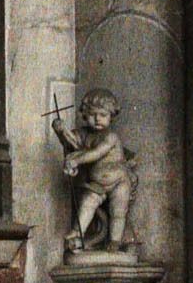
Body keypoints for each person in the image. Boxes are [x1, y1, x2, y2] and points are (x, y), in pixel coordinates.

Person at [54, 86, 139, 250]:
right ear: (85, 115)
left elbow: (96, 153)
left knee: (118, 212)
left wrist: (76, 161)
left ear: (111, 116)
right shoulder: (84, 134)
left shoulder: (110, 137)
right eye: (92, 115)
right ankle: (77, 233)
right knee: (87, 203)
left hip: (119, 181)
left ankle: (115, 241)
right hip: (97, 183)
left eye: (103, 115)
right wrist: (60, 130)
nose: (97, 119)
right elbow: (71, 143)